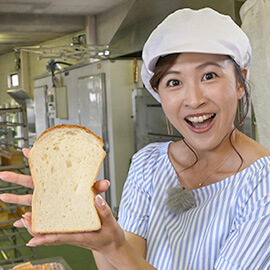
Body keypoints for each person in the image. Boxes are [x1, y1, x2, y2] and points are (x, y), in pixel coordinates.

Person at [0, 7, 269, 270]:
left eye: (209, 76)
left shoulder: (263, 184)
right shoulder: (149, 164)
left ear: (239, 83)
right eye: (174, 82)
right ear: (158, 93)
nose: (194, 99)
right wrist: (102, 241)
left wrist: (116, 248)